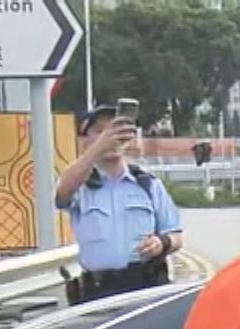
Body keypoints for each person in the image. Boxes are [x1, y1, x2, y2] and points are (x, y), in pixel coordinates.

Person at [55, 104, 183, 304]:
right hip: (99, 291)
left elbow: (176, 235)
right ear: (85, 140)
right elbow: (61, 194)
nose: (111, 137)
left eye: (117, 130)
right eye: (101, 131)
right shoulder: (82, 185)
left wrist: (161, 243)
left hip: (146, 287)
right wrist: (99, 147)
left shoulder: (147, 183)